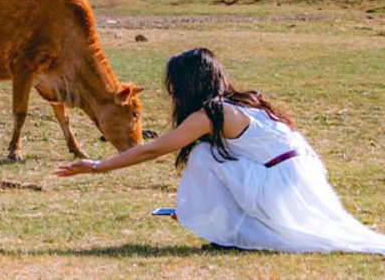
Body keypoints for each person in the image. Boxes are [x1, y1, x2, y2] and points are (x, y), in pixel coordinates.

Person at [55, 48, 385, 254]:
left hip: (280, 186)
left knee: (204, 156)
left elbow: (153, 149)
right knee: (213, 156)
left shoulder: (211, 114)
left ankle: (228, 236)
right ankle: (226, 228)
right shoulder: (247, 101)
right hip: (300, 180)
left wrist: (97, 166)